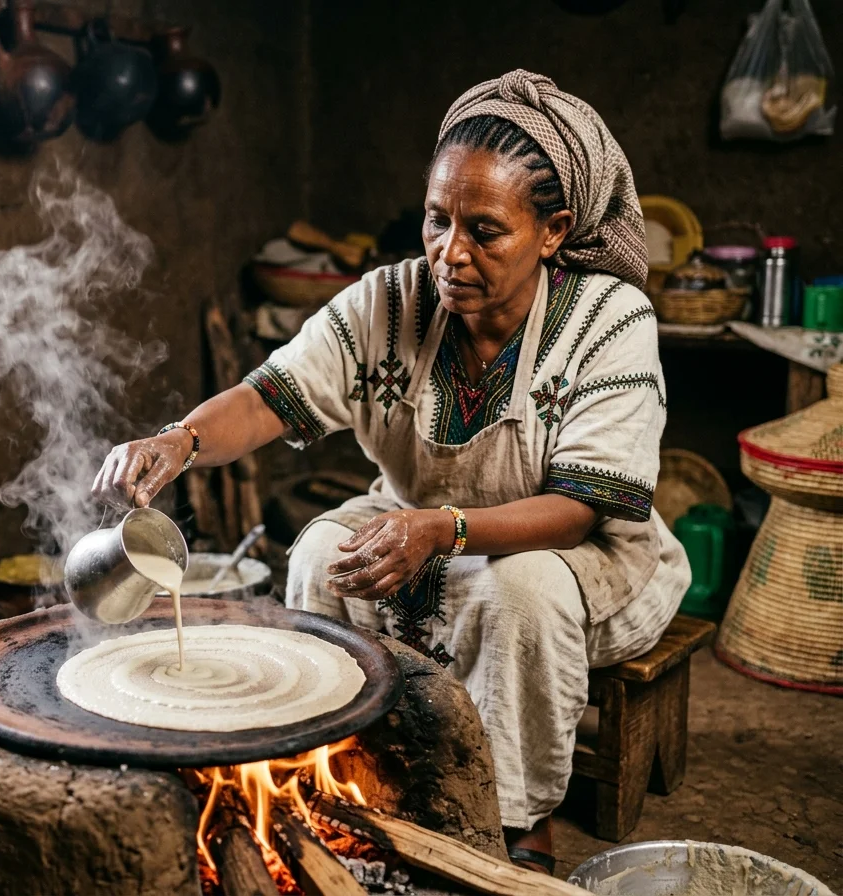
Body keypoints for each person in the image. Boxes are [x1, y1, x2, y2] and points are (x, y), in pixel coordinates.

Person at [92, 70, 690, 875]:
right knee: (317, 554)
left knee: (519, 593)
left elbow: (582, 510)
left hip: (574, 554)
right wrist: (182, 440)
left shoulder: (607, 321)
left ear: (554, 232)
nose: (451, 252)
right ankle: (345, 767)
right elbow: (270, 397)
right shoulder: (392, 299)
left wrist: (442, 531)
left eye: (485, 231)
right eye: (437, 220)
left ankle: (512, 820)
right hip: (418, 520)